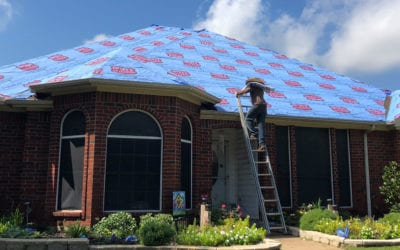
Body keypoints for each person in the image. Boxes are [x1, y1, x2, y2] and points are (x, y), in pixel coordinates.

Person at [235, 77, 273, 151]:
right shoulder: (261, 88)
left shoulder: (252, 86)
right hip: (264, 106)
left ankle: (254, 133)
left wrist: (237, 93)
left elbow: (245, 91)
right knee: (261, 124)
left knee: (248, 119)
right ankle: (262, 144)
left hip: (257, 105)